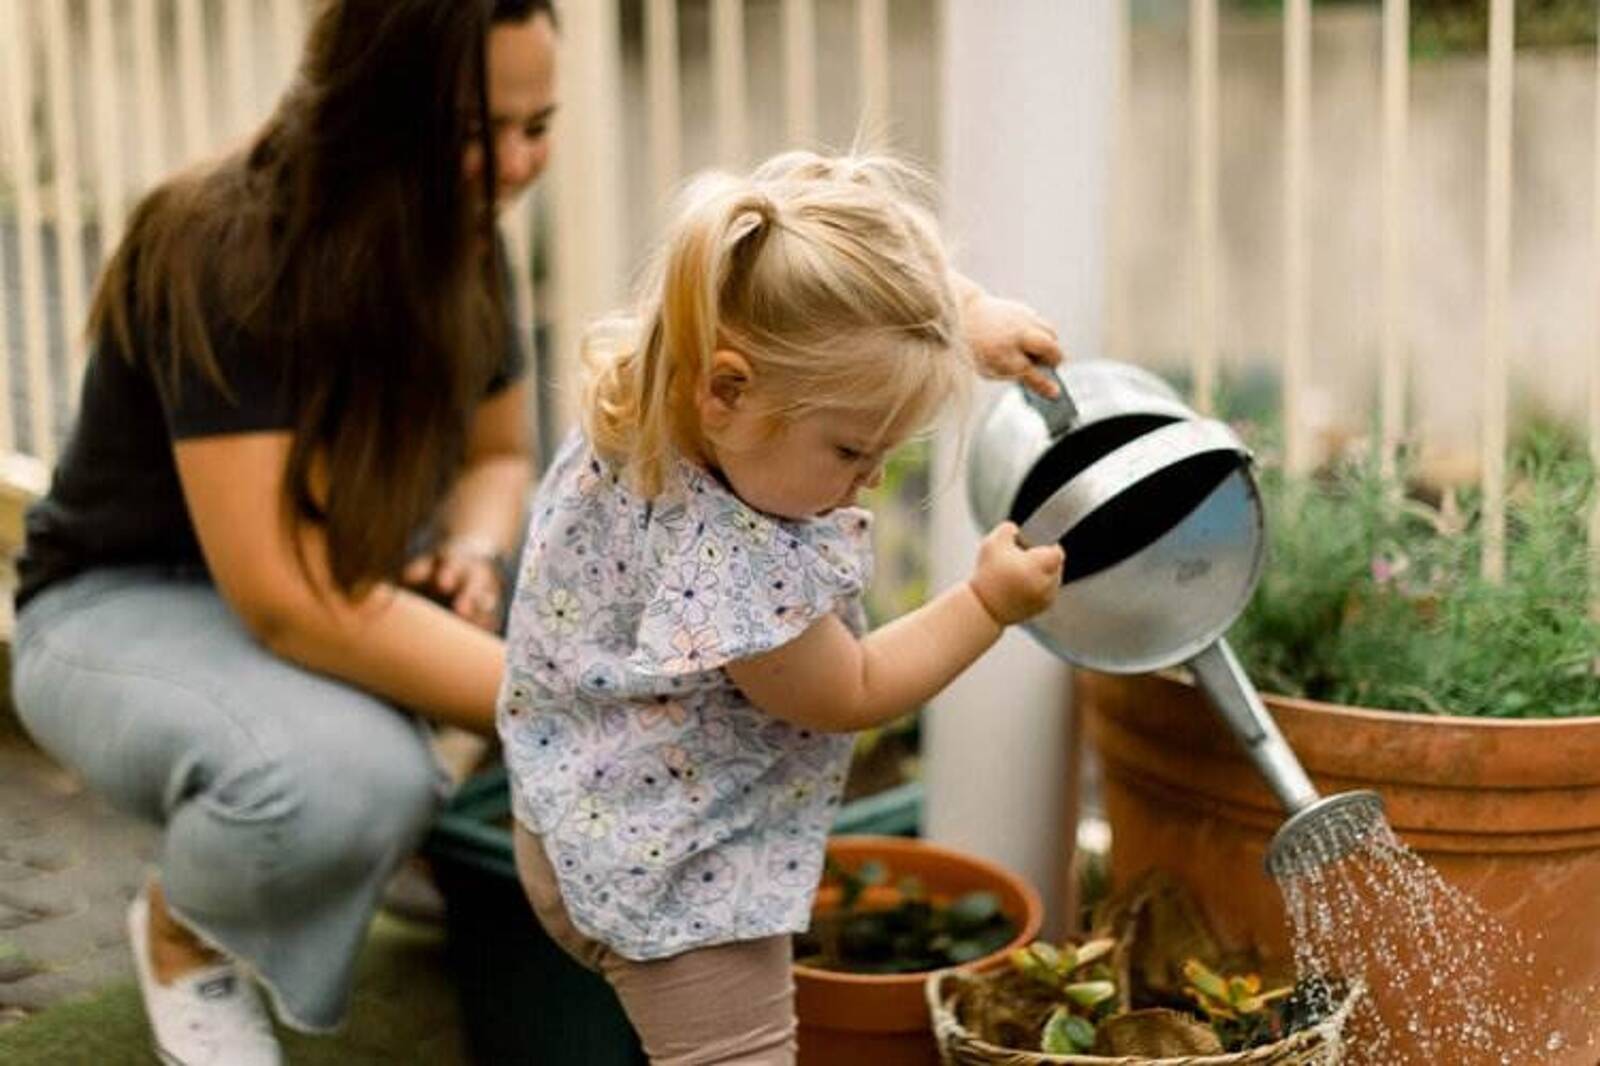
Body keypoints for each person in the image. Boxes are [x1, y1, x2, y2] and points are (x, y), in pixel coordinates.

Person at [8, 1, 557, 1062]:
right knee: (348, 780)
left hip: (336, 573)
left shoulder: (464, 238)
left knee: (615, 580)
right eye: (477, 128)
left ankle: (420, 851)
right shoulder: (223, 244)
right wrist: (566, 705)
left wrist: (479, 552)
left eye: (539, 125)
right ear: (366, 105)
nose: (516, 163)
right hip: (122, 604)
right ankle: (185, 933)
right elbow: (284, 603)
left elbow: (500, 459)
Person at [498, 148, 1068, 1065]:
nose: (872, 479)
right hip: (678, 880)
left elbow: (836, 249)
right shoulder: (726, 558)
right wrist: (988, 603)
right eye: (850, 450)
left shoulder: (681, 345)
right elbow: (853, 686)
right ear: (727, 390)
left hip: (575, 802)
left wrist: (963, 314)